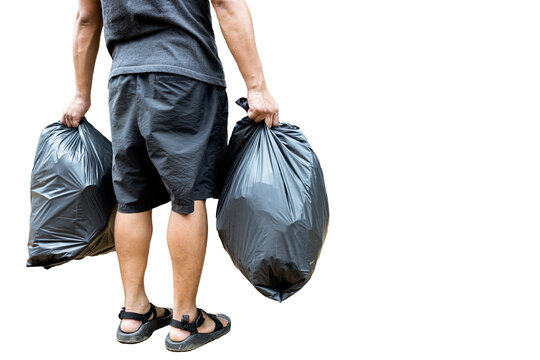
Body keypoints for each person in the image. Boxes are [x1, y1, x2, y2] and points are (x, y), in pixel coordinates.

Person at [61, 0, 279, 352]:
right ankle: (185, 321)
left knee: (131, 197)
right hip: (184, 77)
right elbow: (226, 4)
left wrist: (80, 95)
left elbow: (87, 18)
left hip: (124, 82)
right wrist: (256, 87)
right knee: (187, 196)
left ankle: (134, 312)